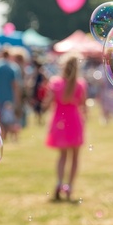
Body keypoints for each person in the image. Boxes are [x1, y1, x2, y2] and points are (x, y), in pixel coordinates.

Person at [43, 53, 87, 201]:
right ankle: (70, 187)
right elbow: (83, 104)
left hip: (59, 121)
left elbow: (47, 103)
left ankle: (59, 183)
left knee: (62, 156)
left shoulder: (55, 82)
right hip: (74, 120)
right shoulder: (80, 84)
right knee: (74, 157)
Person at [0, 47, 21, 141]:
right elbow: (15, 84)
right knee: (10, 118)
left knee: (0, 118)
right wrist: (17, 98)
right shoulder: (13, 67)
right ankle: (14, 137)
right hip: (9, 97)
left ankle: (2, 136)